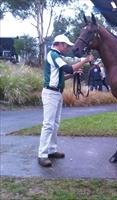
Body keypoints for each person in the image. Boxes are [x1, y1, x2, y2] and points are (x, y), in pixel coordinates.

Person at [38, 34, 94, 167]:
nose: (68, 48)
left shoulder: (56, 56)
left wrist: (73, 74)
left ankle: (51, 150)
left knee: (54, 124)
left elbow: (62, 76)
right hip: (51, 93)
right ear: (60, 44)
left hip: (55, 93)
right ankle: (42, 154)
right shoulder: (54, 55)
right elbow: (67, 68)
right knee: (48, 125)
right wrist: (85, 60)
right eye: (67, 46)